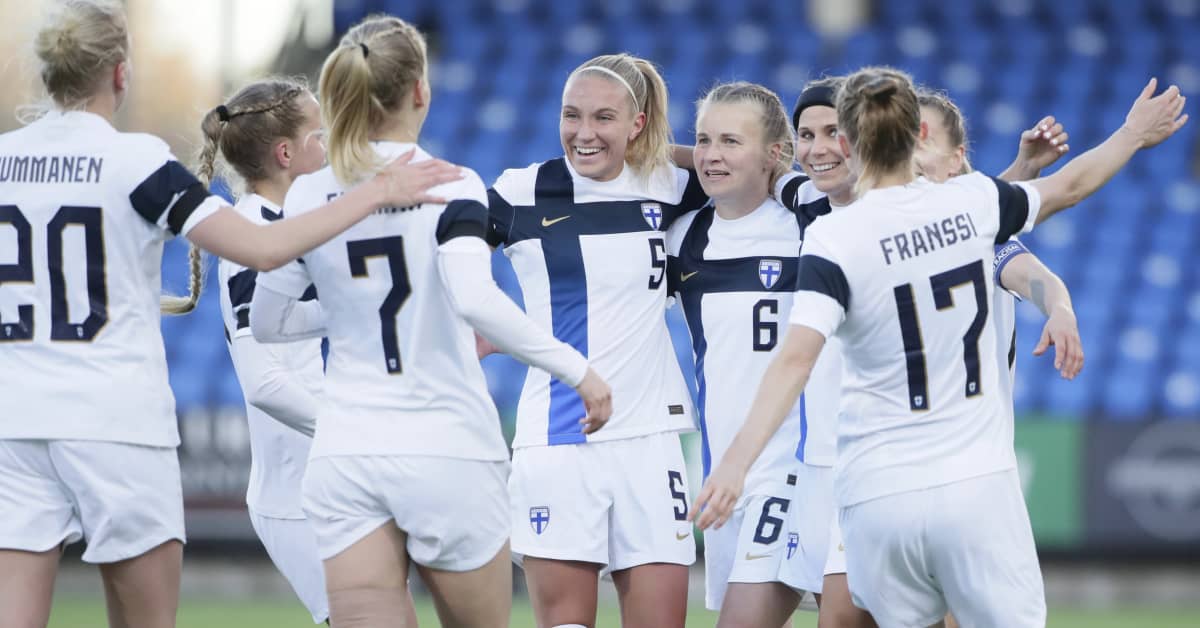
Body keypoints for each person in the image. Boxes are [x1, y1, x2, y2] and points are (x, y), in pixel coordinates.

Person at [0, 1, 460, 626]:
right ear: (119, 74)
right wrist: (377, 190)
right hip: (115, 419)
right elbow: (265, 251)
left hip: (15, 420)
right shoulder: (139, 161)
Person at [693, 67, 1186, 627]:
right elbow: (1069, 186)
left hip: (876, 495)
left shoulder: (834, 235)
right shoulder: (973, 205)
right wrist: (1132, 134)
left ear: (852, 139)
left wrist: (735, 464)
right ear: (916, 137)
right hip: (974, 484)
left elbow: (796, 358)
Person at [248, 16, 612, 628]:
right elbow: (475, 298)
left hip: (347, 453)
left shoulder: (308, 194)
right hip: (448, 451)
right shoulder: (452, 183)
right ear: (420, 89)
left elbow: (269, 321)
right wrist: (578, 370)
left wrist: (347, 312)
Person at [486, 53, 708, 628]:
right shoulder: (519, 193)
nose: (583, 133)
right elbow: (440, 263)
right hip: (559, 440)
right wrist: (495, 329)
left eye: (604, 118)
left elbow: (742, 163)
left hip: (652, 438)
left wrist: (661, 150)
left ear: (637, 123)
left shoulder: (670, 183)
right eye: (571, 115)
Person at [665, 81, 806, 627]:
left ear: (775, 153)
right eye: (702, 140)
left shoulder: (811, 228)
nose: (710, 155)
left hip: (795, 462)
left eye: (730, 140)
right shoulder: (682, 239)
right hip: (724, 472)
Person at [201, 77, 338, 624]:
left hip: (331, 477)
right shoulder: (250, 237)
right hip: (297, 498)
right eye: (319, 139)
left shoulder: (292, 226)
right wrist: (352, 429)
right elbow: (264, 383)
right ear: (286, 153)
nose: (329, 150)